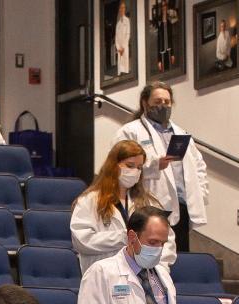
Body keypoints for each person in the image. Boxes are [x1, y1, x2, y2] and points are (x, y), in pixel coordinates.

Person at [112, 82, 207, 252]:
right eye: (157, 102)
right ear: (144, 103)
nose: (162, 106)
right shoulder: (130, 132)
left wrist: (201, 192)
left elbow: (198, 167)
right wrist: (154, 165)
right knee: (153, 257)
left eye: (166, 102)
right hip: (149, 205)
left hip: (181, 207)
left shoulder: (181, 134)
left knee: (179, 260)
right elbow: (119, 166)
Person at [70, 139, 174, 273]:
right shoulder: (90, 201)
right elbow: (82, 241)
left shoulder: (149, 202)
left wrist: (160, 267)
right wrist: (123, 237)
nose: (135, 172)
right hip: (104, 275)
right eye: (130, 166)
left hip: (143, 276)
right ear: (114, 165)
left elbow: (167, 239)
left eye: (139, 168)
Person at [114, 1, 131, 75]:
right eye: (121, 8)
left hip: (124, 47)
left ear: (125, 9)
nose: (122, 9)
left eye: (123, 7)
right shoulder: (118, 23)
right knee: (120, 68)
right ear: (119, 10)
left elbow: (128, 34)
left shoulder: (127, 21)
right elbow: (116, 37)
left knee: (125, 67)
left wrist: (123, 47)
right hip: (119, 48)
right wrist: (118, 48)